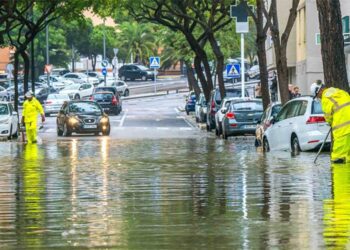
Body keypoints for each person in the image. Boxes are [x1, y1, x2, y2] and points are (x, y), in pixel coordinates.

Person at [310, 81, 350, 164]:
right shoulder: (338, 91)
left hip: (343, 129)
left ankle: (340, 176)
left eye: (317, 96)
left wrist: (330, 122)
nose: (319, 98)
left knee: (338, 158)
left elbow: (328, 116)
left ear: (319, 91)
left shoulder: (325, 98)